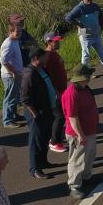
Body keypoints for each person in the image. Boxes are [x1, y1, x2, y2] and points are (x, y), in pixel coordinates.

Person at [20, 49, 59, 180]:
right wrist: (35, 114)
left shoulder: (42, 69)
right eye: (44, 56)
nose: (46, 58)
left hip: (48, 109)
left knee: (45, 137)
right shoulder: (29, 74)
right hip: (37, 113)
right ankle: (35, 168)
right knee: (35, 140)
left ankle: (43, 161)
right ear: (36, 58)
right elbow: (25, 99)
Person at [62, 64, 98, 199]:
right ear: (82, 78)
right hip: (79, 133)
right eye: (88, 76)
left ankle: (86, 177)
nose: (90, 78)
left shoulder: (84, 88)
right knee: (77, 159)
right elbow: (73, 118)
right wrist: (80, 135)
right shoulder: (71, 94)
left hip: (89, 130)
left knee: (90, 155)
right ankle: (74, 185)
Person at [64, 0, 103, 75]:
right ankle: (85, 73)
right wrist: (79, 24)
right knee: (86, 55)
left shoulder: (95, 6)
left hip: (96, 34)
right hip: (85, 35)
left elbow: (102, 17)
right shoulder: (79, 8)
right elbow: (68, 18)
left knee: (102, 52)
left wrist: (101, 28)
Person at [42, 32, 68, 153]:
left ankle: (58, 137)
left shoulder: (53, 54)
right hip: (56, 92)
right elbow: (48, 77)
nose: (58, 43)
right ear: (49, 42)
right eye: (56, 41)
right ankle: (54, 141)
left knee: (61, 115)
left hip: (61, 89)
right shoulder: (48, 56)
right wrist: (56, 92)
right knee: (59, 116)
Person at [0, 24, 24, 128]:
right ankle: (7, 120)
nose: (19, 33)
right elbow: (3, 60)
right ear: (10, 32)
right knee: (10, 97)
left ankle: (13, 115)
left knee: (15, 96)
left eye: (20, 31)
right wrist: (13, 72)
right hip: (10, 76)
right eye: (16, 32)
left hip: (16, 74)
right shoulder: (8, 43)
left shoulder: (15, 41)